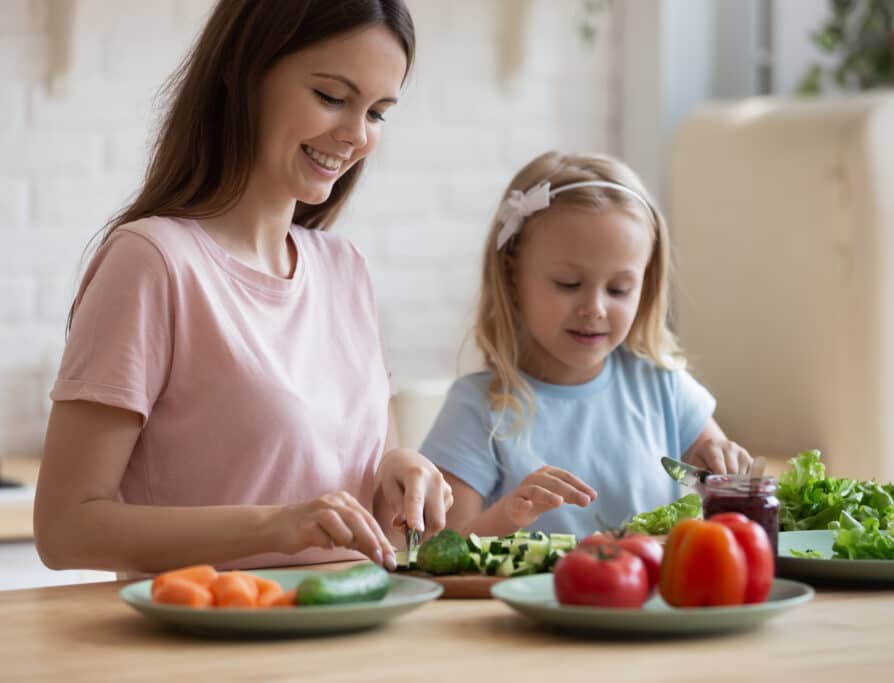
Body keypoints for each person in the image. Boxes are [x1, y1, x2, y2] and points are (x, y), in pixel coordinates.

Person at [33, 0, 452, 575]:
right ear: (243, 72)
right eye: (331, 97)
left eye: (377, 112)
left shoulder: (344, 269)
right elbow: (65, 529)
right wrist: (274, 524)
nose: (355, 135)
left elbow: (356, 487)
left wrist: (399, 471)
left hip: (349, 639)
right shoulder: (153, 262)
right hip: (202, 647)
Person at [420, 151, 754, 539]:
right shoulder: (478, 408)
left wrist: (725, 470)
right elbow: (438, 550)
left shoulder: (664, 388)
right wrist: (509, 515)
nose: (594, 308)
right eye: (568, 284)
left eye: (619, 289)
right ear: (512, 277)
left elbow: (723, 484)